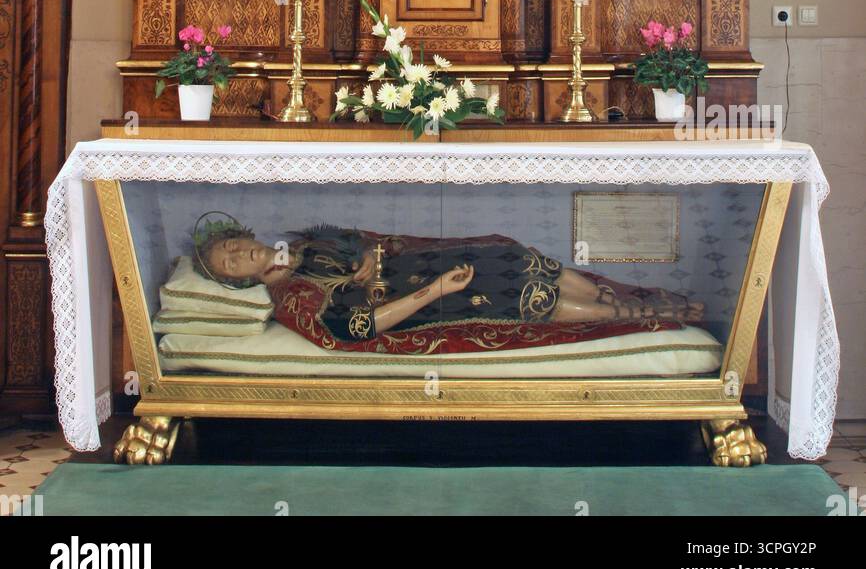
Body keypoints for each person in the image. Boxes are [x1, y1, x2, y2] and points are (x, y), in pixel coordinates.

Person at [195, 220, 704, 345]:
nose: (240, 253)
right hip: (428, 298)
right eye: (231, 262)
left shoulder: (304, 244)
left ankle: (636, 301)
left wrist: (370, 258)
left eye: (234, 244)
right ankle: (639, 315)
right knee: (527, 297)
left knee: (514, 256)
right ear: (238, 282)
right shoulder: (292, 296)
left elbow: (377, 241)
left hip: (426, 264)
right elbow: (358, 327)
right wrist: (436, 291)